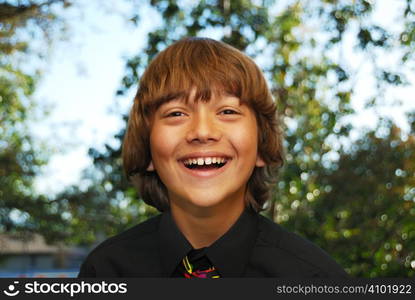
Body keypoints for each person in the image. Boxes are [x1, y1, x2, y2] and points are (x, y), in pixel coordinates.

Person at [77, 37, 348, 278]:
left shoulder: (315, 278)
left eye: (228, 111)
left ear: (262, 147)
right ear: (147, 151)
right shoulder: (105, 272)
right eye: (176, 113)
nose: (202, 132)